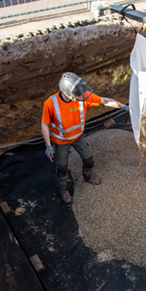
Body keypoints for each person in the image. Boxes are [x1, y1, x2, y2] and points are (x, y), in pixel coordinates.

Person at [41, 72, 128, 204]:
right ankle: (63, 189)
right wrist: (48, 145)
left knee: (89, 160)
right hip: (61, 141)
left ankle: (88, 177)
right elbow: (44, 124)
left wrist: (124, 106)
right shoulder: (51, 104)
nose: (80, 96)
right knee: (62, 168)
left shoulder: (83, 96)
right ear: (66, 92)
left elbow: (105, 101)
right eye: (76, 95)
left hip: (78, 137)